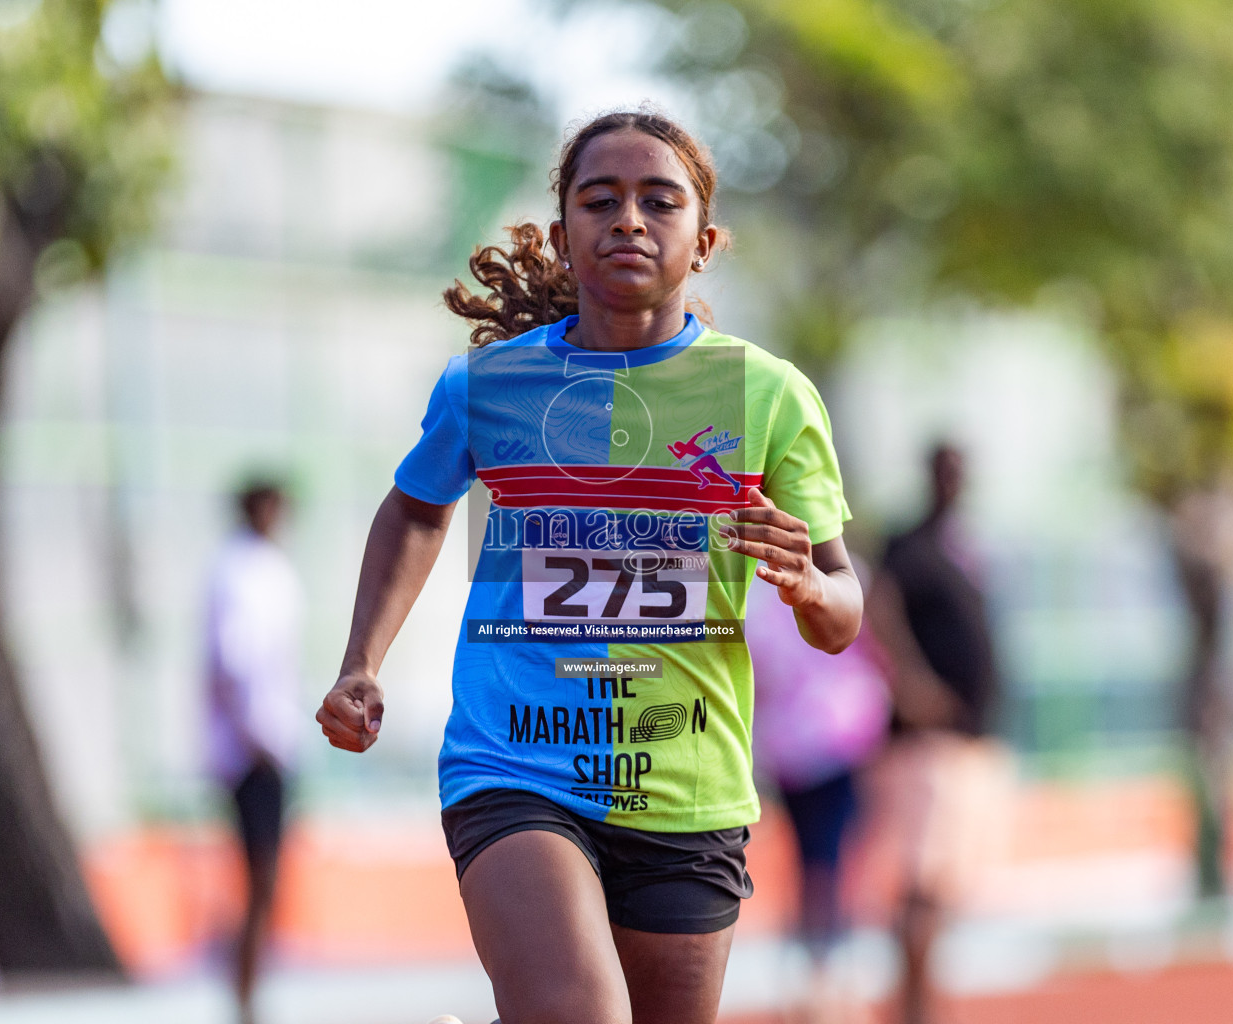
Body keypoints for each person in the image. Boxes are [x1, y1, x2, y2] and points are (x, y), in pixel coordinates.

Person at [316, 109, 862, 1024]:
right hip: (515, 763)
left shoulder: (767, 395)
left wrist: (810, 585)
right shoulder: (486, 386)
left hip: (688, 782)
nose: (629, 221)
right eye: (599, 200)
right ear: (564, 230)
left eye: (660, 200)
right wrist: (361, 662)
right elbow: (416, 507)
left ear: (706, 239)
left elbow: (843, 615)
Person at [865, 443, 1007, 1024]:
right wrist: (911, 684)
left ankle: (919, 1007)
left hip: (962, 741)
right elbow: (876, 608)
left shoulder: (959, 546)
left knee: (941, 888)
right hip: (927, 743)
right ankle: (912, 1012)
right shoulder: (910, 545)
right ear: (930, 475)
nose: (954, 482)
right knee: (920, 886)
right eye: (946, 470)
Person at [745, 558, 891, 1020]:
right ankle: (826, 987)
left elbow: (758, 674)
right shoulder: (846, 581)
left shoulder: (759, 593)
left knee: (815, 864)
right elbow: (878, 648)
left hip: (792, 748)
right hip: (838, 740)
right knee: (832, 866)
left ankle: (812, 982)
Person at [204, 480, 303, 1024]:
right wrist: (260, 738)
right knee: (258, 875)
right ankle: (242, 996)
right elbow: (235, 664)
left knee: (266, 879)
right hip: (252, 752)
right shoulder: (238, 572)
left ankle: (248, 989)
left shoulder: (269, 569)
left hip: (269, 745)